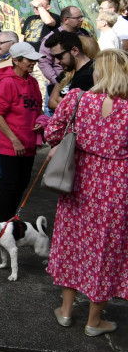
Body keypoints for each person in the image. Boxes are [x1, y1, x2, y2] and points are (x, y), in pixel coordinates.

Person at [46, 49, 128, 337]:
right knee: (107, 250)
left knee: (73, 243)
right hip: (118, 190)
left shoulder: (77, 99)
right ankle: (95, 321)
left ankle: (67, 312)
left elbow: (52, 134)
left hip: (78, 182)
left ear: (99, 73)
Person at [0, 42, 46, 222]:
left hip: (28, 143)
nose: (33, 63)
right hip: (11, 145)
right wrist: (14, 140)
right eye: (29, 60)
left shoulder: (32, 81)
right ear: (16, 60)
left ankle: (10, 220)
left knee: (21, 184)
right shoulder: (7, 83)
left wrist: (42, 121)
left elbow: (38, 109)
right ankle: (4, 225)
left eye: (33, 60)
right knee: (10, 186)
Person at [45, 30, 96, 111]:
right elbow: (52, 102)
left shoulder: (87, 76)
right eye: (53, 57)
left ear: (75, 51)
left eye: (59, 56)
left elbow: (75, 111)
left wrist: (61, 102)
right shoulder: (73, 73)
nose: (56, 61)